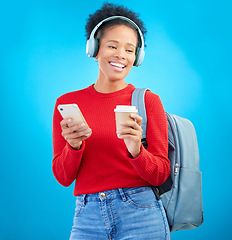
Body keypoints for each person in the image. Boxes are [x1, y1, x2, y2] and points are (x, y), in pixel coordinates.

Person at [52, 3, 171, 240]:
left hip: (142, 213)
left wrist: (137, 149)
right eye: (112, 46)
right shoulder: (66, 103)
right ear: (94, 48)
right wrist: (74, 147)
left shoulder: (148, 101)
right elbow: (63, 177)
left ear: (137, 56)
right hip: (87, 216)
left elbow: (160, 176)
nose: (121, 55)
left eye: (130, 50)